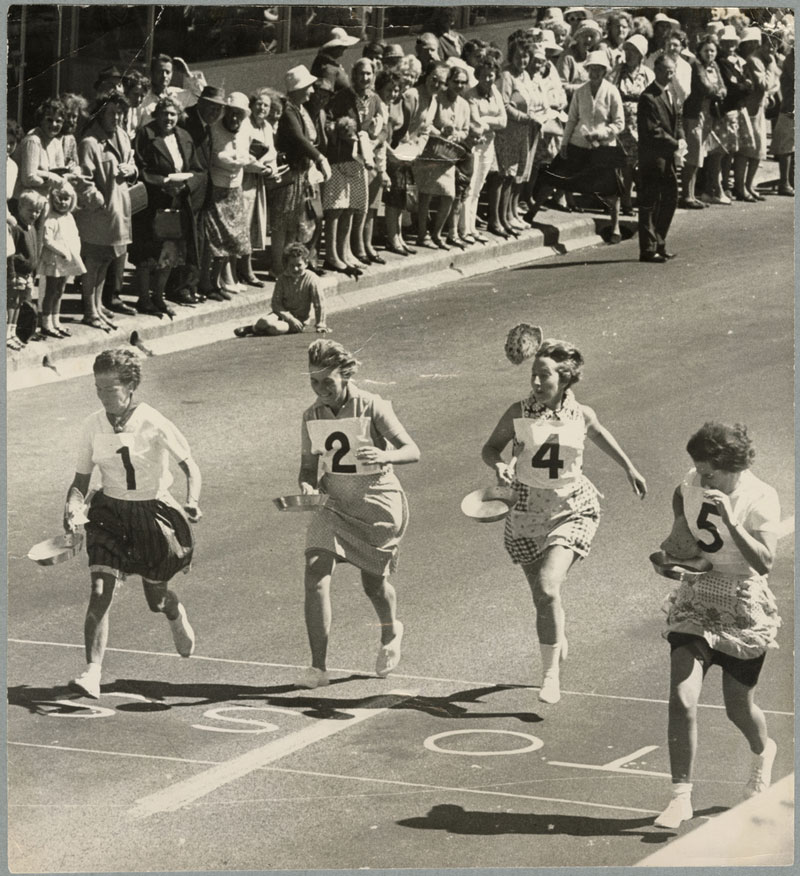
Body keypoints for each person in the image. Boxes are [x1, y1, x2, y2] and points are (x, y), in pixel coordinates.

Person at [482, 328, 646, 704]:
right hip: (525, 511)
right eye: (533, 376)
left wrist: (629, 468)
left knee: (547, 587)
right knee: (544, 599)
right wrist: (499, 467)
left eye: (546, 376)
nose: (538, 382)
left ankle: (550, 675)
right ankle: (556, 633)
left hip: (572, 508)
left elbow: (601, 434)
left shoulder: (582, 414)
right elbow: (490, 448)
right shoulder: (517, 413)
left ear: (565, 378)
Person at [654, 423, 781, 829]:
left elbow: (764, 562)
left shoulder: (761, 497)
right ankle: (680, 797)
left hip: (743, 602)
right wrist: (674, 553)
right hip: (698, 594)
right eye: (698, 469)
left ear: (731, 466)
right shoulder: (691, 482)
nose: (701, 477)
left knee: (738, 707)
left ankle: (763, 753)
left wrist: (731, 521)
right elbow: (681, 503)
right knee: (682, 694)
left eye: (709, 471)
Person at [63, 348, 203, 700]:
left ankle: (173, 610)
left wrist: (193, 500)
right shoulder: (92, 425)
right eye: (97, 388)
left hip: (153, 514)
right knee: (99, 590)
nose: (102, 395)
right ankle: (92, 672)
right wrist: (72, 507)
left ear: (130, 386)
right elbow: (81, 480)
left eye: (109, 389)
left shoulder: (153, 420)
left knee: (155, 598)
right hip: (109, 513)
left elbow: (190, 466)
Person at [295, 339, 420, 688]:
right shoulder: (311, 416)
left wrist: (386, 456)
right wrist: (307, 485)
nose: (321, 390)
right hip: (333, 504)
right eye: (314, 383)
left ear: (345, 375)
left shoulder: (372, 406)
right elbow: (307, 468)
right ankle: (318, 668)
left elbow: (412, 450)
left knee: (374, 584)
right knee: (315, 572)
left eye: (327, 382)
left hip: (376, 504)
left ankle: (390, 631)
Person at [530, 51, 626, 244]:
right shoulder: (581, 91)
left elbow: (619, 123)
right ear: (588, 70)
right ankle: (530, 215)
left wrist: (601, 133)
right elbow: (572, 118)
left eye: (599, 69)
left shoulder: (611, 91)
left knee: (612, 189)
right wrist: (564, 143)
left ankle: (615, 227)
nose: (595, 73)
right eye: (592, 69)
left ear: (605, 71)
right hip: (578, 144)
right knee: (554, 177)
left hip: (604, 145)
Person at [132, 95, 205, 316]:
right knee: (147, 254)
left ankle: (159, 297)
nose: (168, 118)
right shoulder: (146, 135)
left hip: (177, 203)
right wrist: (162, 183)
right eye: (164, 113)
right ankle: (144, 299)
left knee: (169, 252)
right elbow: (140, 168)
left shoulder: (184, 136)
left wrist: (185, 186)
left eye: (173, 114)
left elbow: (198, 170)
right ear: (157, 114)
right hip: (153, 203)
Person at [75, 90, 138, 330]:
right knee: (92, 263)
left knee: (106, 261)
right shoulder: (89, 143)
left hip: (119, 211)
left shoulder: (122, 136)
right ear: (101, 113)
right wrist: (99, 202)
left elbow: (131, 163)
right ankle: (89, 310)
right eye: (112, 113)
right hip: (98, 215)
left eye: (121, 113)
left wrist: (130, 171)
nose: (117, 118)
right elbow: (83, 181)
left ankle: (99, 305)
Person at [205, 92, 269, 297]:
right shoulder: (214, 130)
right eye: (231, 113)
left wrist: (260, 166)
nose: (234, 118)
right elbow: (218, 158)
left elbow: (250, 155)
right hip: (217, 188)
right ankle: (215, 282)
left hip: (235, 188)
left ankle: (227, 278)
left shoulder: (246, 131)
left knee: (234, 237)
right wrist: (240, 159)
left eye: (239, 115)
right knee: (218, 240)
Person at [273, 66, 331, 280]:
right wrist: (320, 158)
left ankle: (287, 264)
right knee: (282, 222)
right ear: (297, 89)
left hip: (301, 174)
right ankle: (278, 266)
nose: (311, 92)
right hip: (291, 175)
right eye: (307, 87)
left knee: (293, 223)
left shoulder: (298, 109)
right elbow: (299, 139)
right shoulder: (289, 111)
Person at [413, 64, 471, 250]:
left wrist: (457, 136)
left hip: (449, 156)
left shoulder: (464, 104)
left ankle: (437, 233)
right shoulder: (438, 99)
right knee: (426, 194)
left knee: (449, 195)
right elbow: (429, 123)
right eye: (455, 82)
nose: (459, 86)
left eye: (463, 83)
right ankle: (422, 234)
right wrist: (441, 132)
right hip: (432, 152)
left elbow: (465, 130)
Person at [637, 55, 686, 263]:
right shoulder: (648, 97)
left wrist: (681, 138)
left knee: (670, 198)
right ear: (656, 71)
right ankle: (648, 248)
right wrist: (674, 143)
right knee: (650, 202)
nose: (670, 75)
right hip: (653, 158)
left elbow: (677, 120)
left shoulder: (670, 92)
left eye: (672, 71)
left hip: (668, 157)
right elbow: (652, 131)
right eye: (666, 71)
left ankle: (659, 241)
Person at [233, 242, 328, 337]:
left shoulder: (312, 279)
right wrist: (288, 317)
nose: (295, 269)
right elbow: (276, 303)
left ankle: (259, 331)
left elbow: (319, 303)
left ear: (306, 263)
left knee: (275, 328)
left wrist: (320, 324)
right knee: (264, 321)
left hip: (298, 320)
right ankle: (253, 328)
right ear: (287, 264)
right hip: (281, 314)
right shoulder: (282, 278)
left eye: (299, 265)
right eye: (291, 265)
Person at [607, 34, 654, 214]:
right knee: (621, 164)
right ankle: (622, 202)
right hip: (621, 123)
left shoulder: (648, 74)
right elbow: (609, 92)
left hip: (640, 125)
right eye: (627, 50)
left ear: (641, 54)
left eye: (633, 51)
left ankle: (632, 199)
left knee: (635, 164)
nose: (629, 54)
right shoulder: (617, 72)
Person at [465, 56, 507, 243]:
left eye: (491, 75)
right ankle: (464, 228)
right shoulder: (471, 95)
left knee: (479, 186)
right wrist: (492, 121)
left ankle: (471, 227)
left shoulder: (496, 92)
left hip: (488, 144)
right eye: (484, 76)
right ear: (478, 76)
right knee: (470, 186)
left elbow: (503, 121)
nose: (488, 79)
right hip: (474, 145)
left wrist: (486, 121)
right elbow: (475, 123)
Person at [681, 36, 726, 208]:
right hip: (695, 114)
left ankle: (692, 195)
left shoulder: (714, 66)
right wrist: (717, 91)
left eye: (712, 50)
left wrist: (718, 91)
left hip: (708, 116)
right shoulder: (696, 66)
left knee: (699, 155)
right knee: (692, 155)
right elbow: (705, 86)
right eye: (706, 50)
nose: (710, 54)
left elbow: (723, 87)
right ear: (699, 51)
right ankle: (687, 195)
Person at [241, 87, 279, 287]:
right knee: (244, 224)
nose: (262, 108)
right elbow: (243, 153)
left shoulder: (266, 127)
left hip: (258, 181)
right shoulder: (246, 124)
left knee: (255, 224)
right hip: (245, 179)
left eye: (266, 105)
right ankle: (243, 270)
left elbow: (271, 152)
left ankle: (246, 269)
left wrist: (269, 168)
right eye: (259, 104)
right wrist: (258, 166)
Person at [38, 180, 85, 339]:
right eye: (59, 198)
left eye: (67, 199)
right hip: (55, 260)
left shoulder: (69, 217)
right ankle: (46, 322)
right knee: (51, 291)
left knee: (60, 290)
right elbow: (47, 239)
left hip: (67, 260)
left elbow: (75, 236)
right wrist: (63, 251)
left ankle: (56, 320)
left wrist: (75, 253)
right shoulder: (51, 218)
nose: (63, 203)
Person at [12, 97, 67, 202]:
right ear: (41, 120)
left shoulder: (56, 143)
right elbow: (28, 178)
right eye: (49, 120)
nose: (54, 124)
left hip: (42, 201)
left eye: (58, 121)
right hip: (23, 203)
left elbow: (61, 174)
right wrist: (50, 178)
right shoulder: (33, 140)